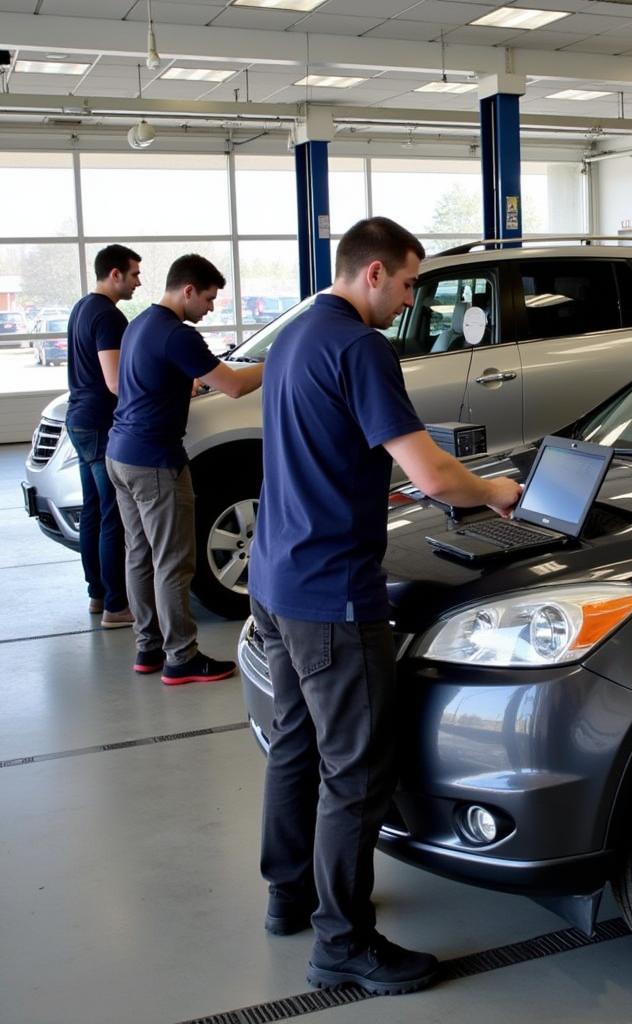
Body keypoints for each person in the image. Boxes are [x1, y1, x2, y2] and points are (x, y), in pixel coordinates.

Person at [248, 217, 521, 997]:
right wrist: (499, 491)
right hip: (332, 593)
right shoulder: (363, 347)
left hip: (276, 580)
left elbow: (324, 444)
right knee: (358, 772)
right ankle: (343, 943)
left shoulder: (300, 332)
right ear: (372, 273)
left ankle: (289, 895)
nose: (409, 299)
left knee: (296, 746)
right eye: (406, 283)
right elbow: (435, 477)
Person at [106, 254, 264, 685]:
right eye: (209, 299)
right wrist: (281, 360)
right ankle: (182, 657)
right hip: (155, 461)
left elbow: (148, 376)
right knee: (174, 562)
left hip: (120, 454)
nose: (210, 308)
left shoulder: (140, 324)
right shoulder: (179, 335)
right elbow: (233, 385)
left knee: (140, 556)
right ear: (188, 290)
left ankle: (149, 648)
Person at [65, 244, 141, 628]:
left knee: (94, 512)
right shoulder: (109, 317)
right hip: (99, 423)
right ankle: (117, 606)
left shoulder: (81, 308)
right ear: (115, 274)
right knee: (113, 515)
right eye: (133, 275)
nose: (138, 283)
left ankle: (97, 594)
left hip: (78, 420)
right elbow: (115, 381)